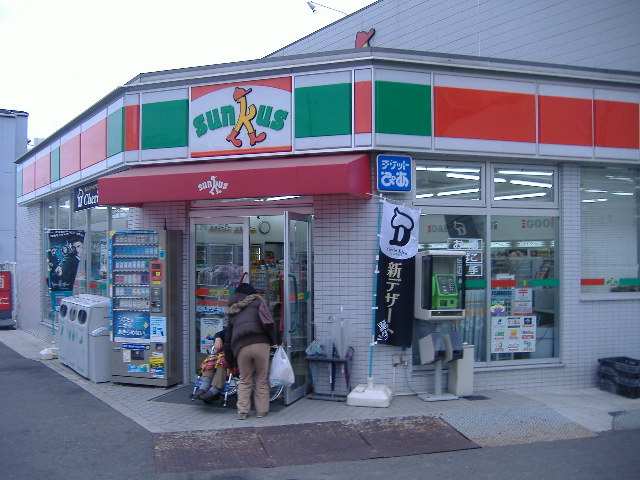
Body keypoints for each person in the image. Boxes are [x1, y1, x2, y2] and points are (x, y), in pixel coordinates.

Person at [224, 283, 278, 420]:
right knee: (261, 378)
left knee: (245, 379)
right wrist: (276, 341)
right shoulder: (259, 302)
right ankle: (261, 411)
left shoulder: (233, 308)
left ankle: (242, 411)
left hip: (241, 346)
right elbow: (271, 324)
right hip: (261, 344)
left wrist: (230, 363)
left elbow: (228, 339)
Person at [193, 329, 228, 403]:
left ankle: (214, 389)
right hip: (224, 353)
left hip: (236, 356)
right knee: (211, 361)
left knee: (222, 362)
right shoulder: (232, 327)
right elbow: (220, 333)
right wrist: (218, 338)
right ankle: (204, 386)